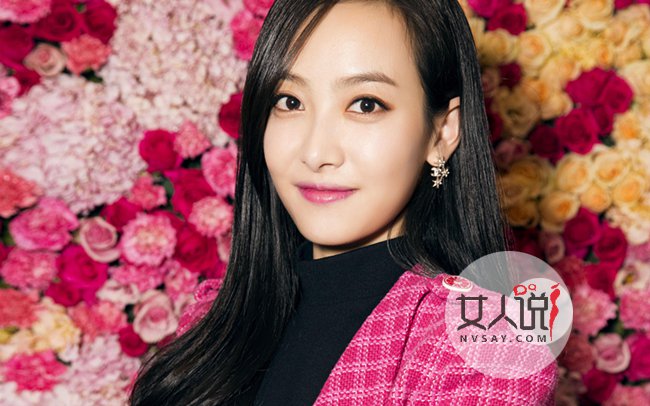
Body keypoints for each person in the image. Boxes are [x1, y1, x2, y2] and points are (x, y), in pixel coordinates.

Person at [129, 0, 558, 405]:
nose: (316, 152)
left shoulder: (488, 349)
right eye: (289, 101)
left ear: (442, 132)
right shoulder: (214, 322)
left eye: (365, 105)